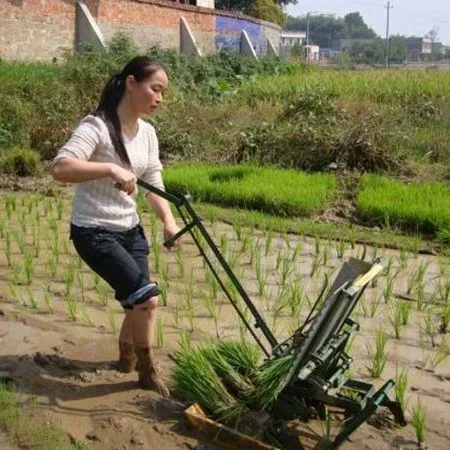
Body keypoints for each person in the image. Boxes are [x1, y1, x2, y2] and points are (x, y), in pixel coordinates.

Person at [51, 56, 180, 397]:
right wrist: (109, 169)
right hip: (94, 231)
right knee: (147, 300)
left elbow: (153, 181)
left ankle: (125, 361)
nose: (160, 98)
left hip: (130, 230)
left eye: (163, 92)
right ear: (131, 83)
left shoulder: (148, 134)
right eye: (155, 89)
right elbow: (61, 168)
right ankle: (147, 371)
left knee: (135, 301)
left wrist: (168, 221)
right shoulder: (97, 126)